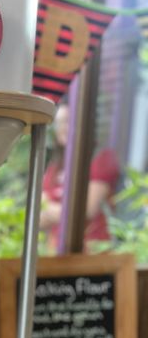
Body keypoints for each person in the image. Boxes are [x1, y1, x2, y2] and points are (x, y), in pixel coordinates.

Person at [40, 100, 120, 252]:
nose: (62, 128)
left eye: (68, 121)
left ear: (83, 122)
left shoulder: (101, 158)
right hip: (57, 250)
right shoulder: (56, 165)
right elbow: (39, 217)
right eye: (59, 123)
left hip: (93, 252)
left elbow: (85, 212)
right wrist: (63, 212)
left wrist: (52, 211)